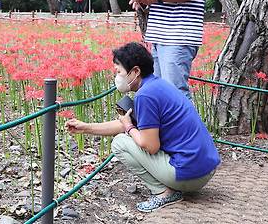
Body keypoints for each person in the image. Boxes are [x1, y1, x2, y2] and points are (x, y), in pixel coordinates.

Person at [65, 42, 219, 213]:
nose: (117, 77)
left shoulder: (145, 95)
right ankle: (170, 187)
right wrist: (85, 127)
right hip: (205, 168)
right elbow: (123, 124)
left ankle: (164, 192)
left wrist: (129, 127)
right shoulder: (157, 85)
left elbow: (150, 146)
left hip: (191, 176)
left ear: (135, 71)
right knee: (126, 135)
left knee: (119, 143)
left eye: (119, 72)